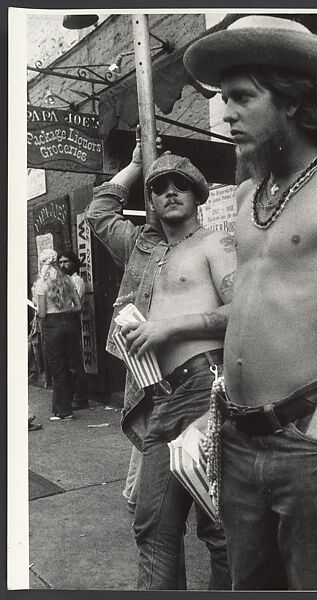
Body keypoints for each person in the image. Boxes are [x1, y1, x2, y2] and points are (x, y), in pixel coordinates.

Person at [184, 15, 317, 590]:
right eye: (223, 98)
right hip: (233, 432)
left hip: (304, 433)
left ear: (292, 102)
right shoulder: (250, 192)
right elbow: (253, 307)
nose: (225, 113)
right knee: (247, 586)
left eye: (240, 98)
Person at [85, 131, 234, 590]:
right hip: (156, 401)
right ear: (149, 199)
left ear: (197, 195)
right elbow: (99, 212)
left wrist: (166, 328)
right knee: (152, 527)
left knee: (220, 531)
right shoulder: (142, 249)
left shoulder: (215, 243)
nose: (169, 191)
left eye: (179, 185)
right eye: (158, 186)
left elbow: (243, 312)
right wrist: (134, 166)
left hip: (206, 394)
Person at [33, 248, 82, 421]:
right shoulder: (68, 280)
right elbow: (78, 306)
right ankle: (59, 407)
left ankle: (65, 411)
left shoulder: (41, 284)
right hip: (69, 324)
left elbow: (43, 314)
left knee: (57, 369)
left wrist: (37, 309)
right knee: (69, 366)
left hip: (52, 326)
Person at [58, 250, 89, 410]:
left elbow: (73, 305)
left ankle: (81, 397)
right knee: (65, 360)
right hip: (62, 323)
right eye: (61, 262)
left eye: (66, 262)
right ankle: (71, 395)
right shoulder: (63, 281)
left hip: (72, 321)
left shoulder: (77, 281)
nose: (63, 265)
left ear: (73, 263)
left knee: (74, 361)